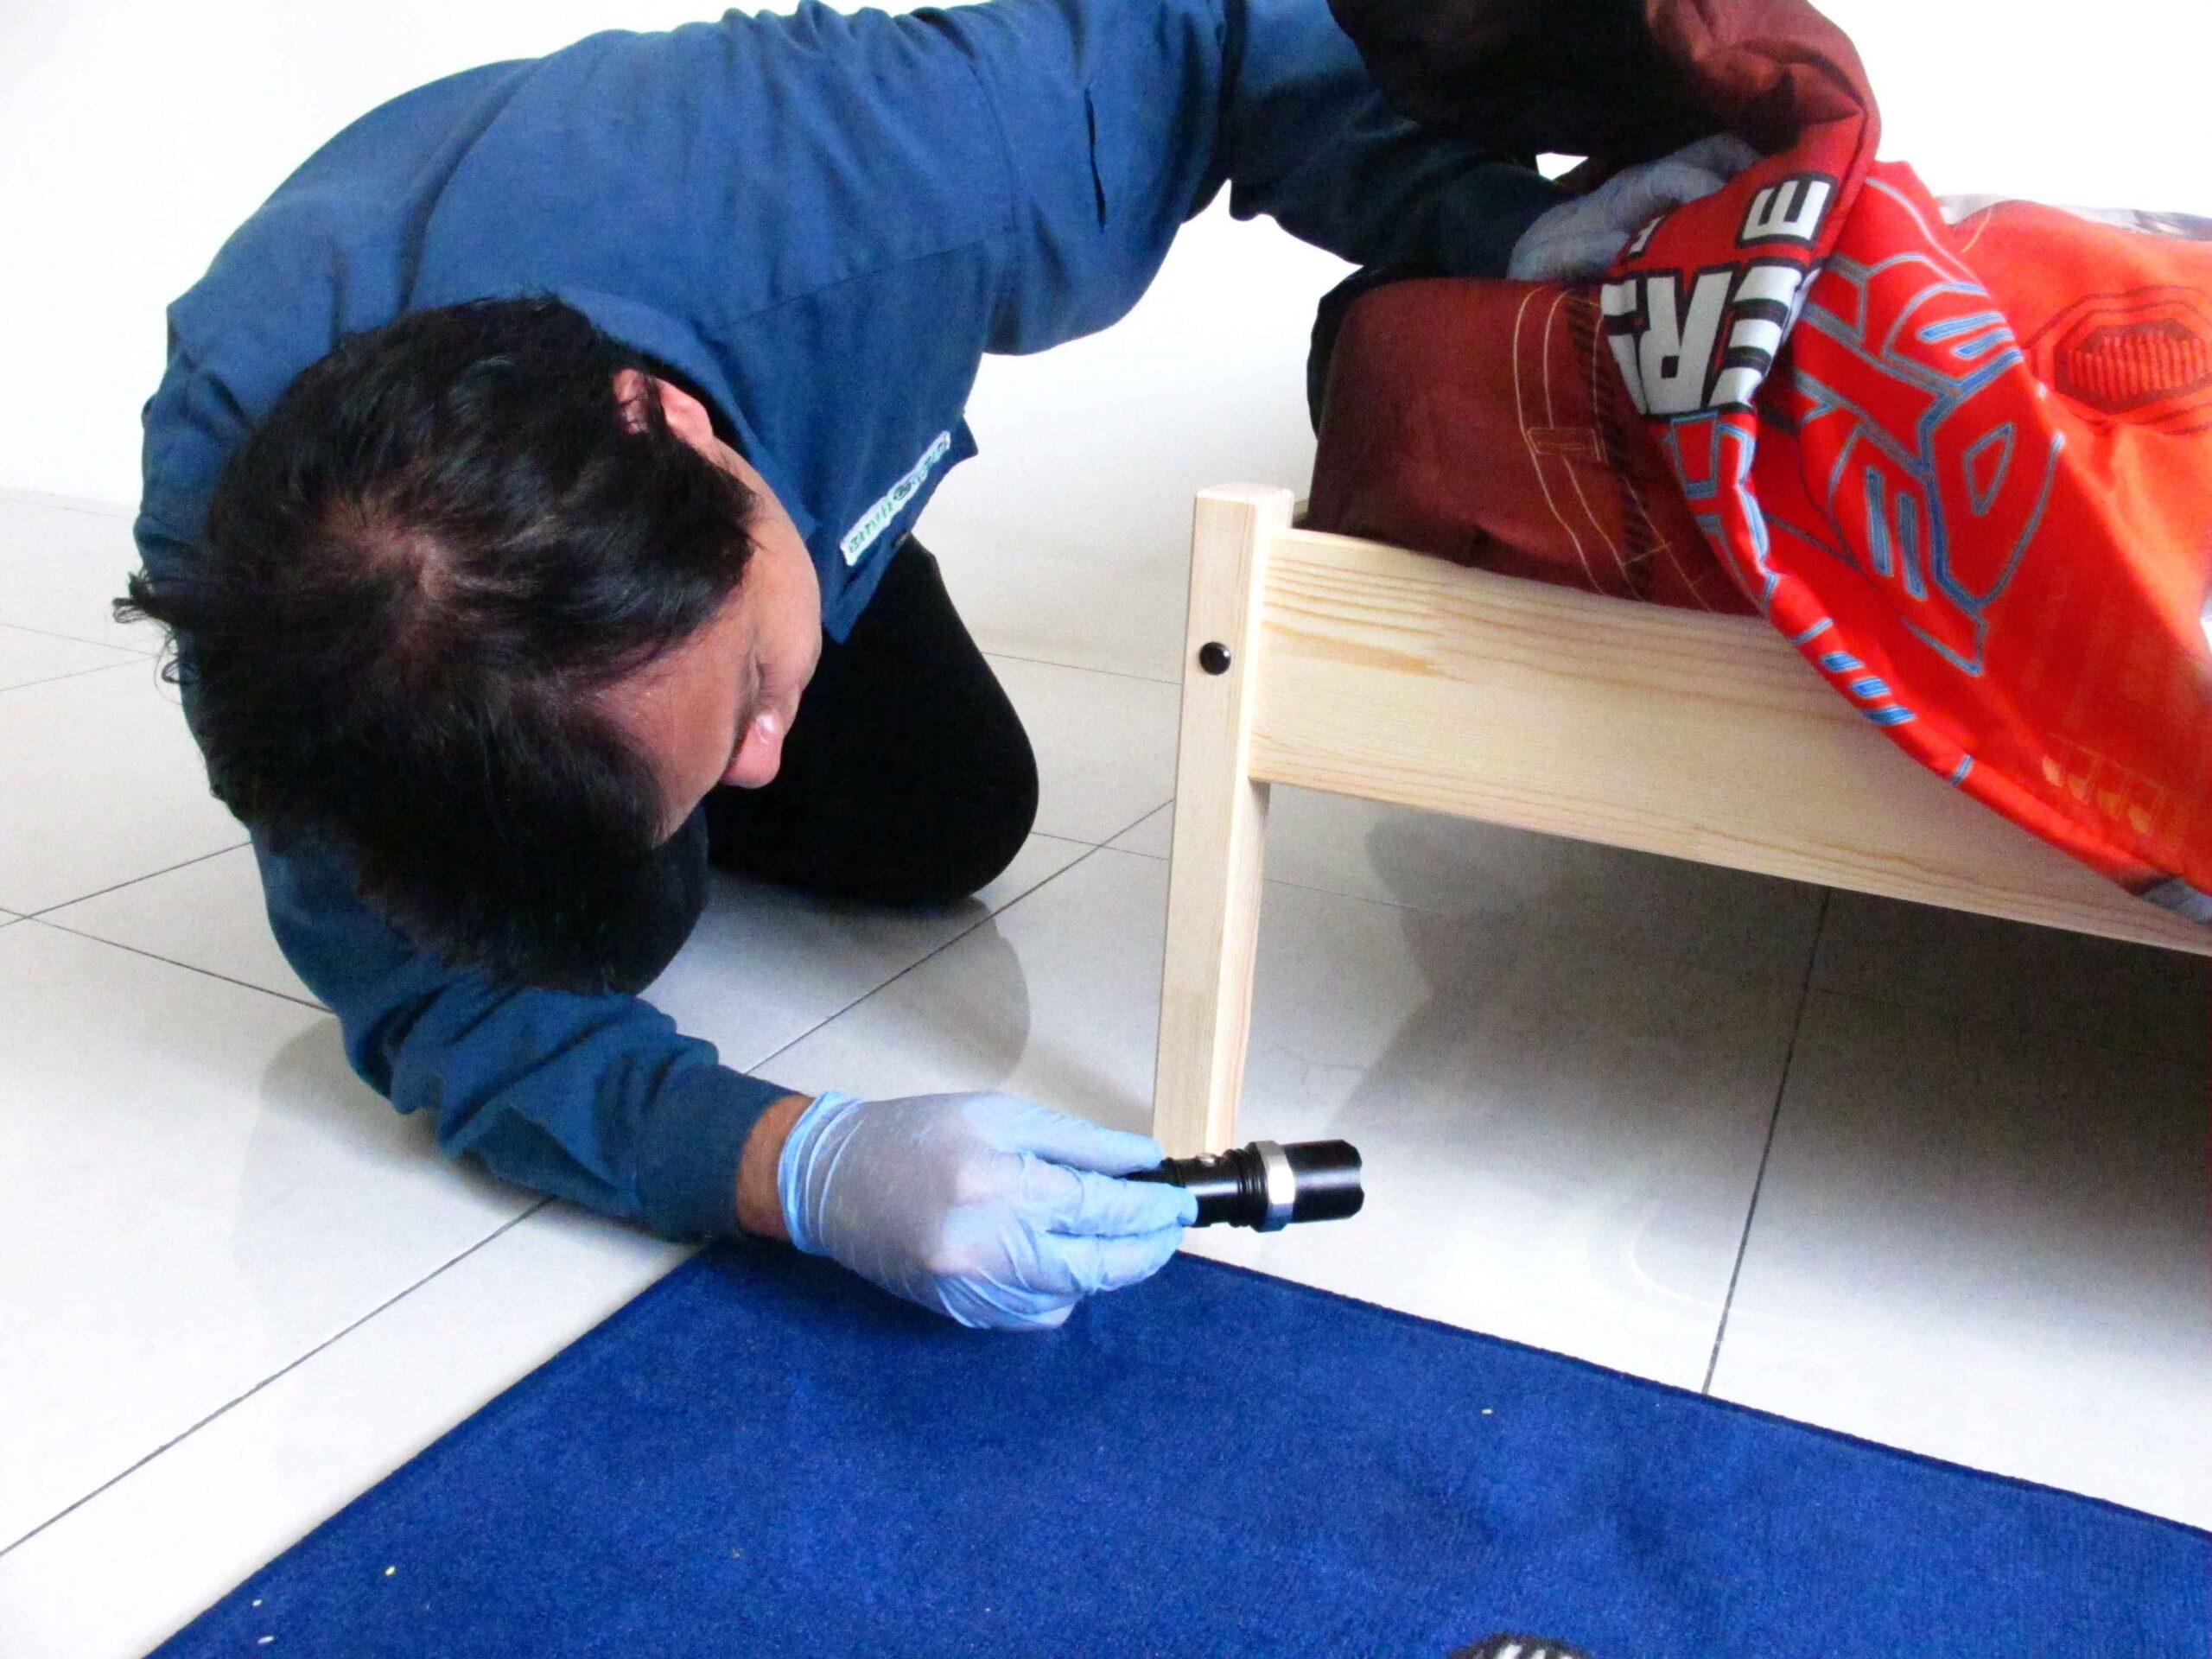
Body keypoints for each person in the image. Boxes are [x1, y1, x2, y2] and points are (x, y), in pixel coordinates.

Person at [124, 0, 1746, 1332]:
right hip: (557, 492)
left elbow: (1227, 32)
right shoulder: (287, 624)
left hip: (752, 298)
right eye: (730, 727)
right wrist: (784, 1166)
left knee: (948, 815)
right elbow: (440, 1017)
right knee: (618, 933)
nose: (763, 757)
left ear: (688, 431)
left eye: (751, 685)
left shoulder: (913, 173)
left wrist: (1508, 226)